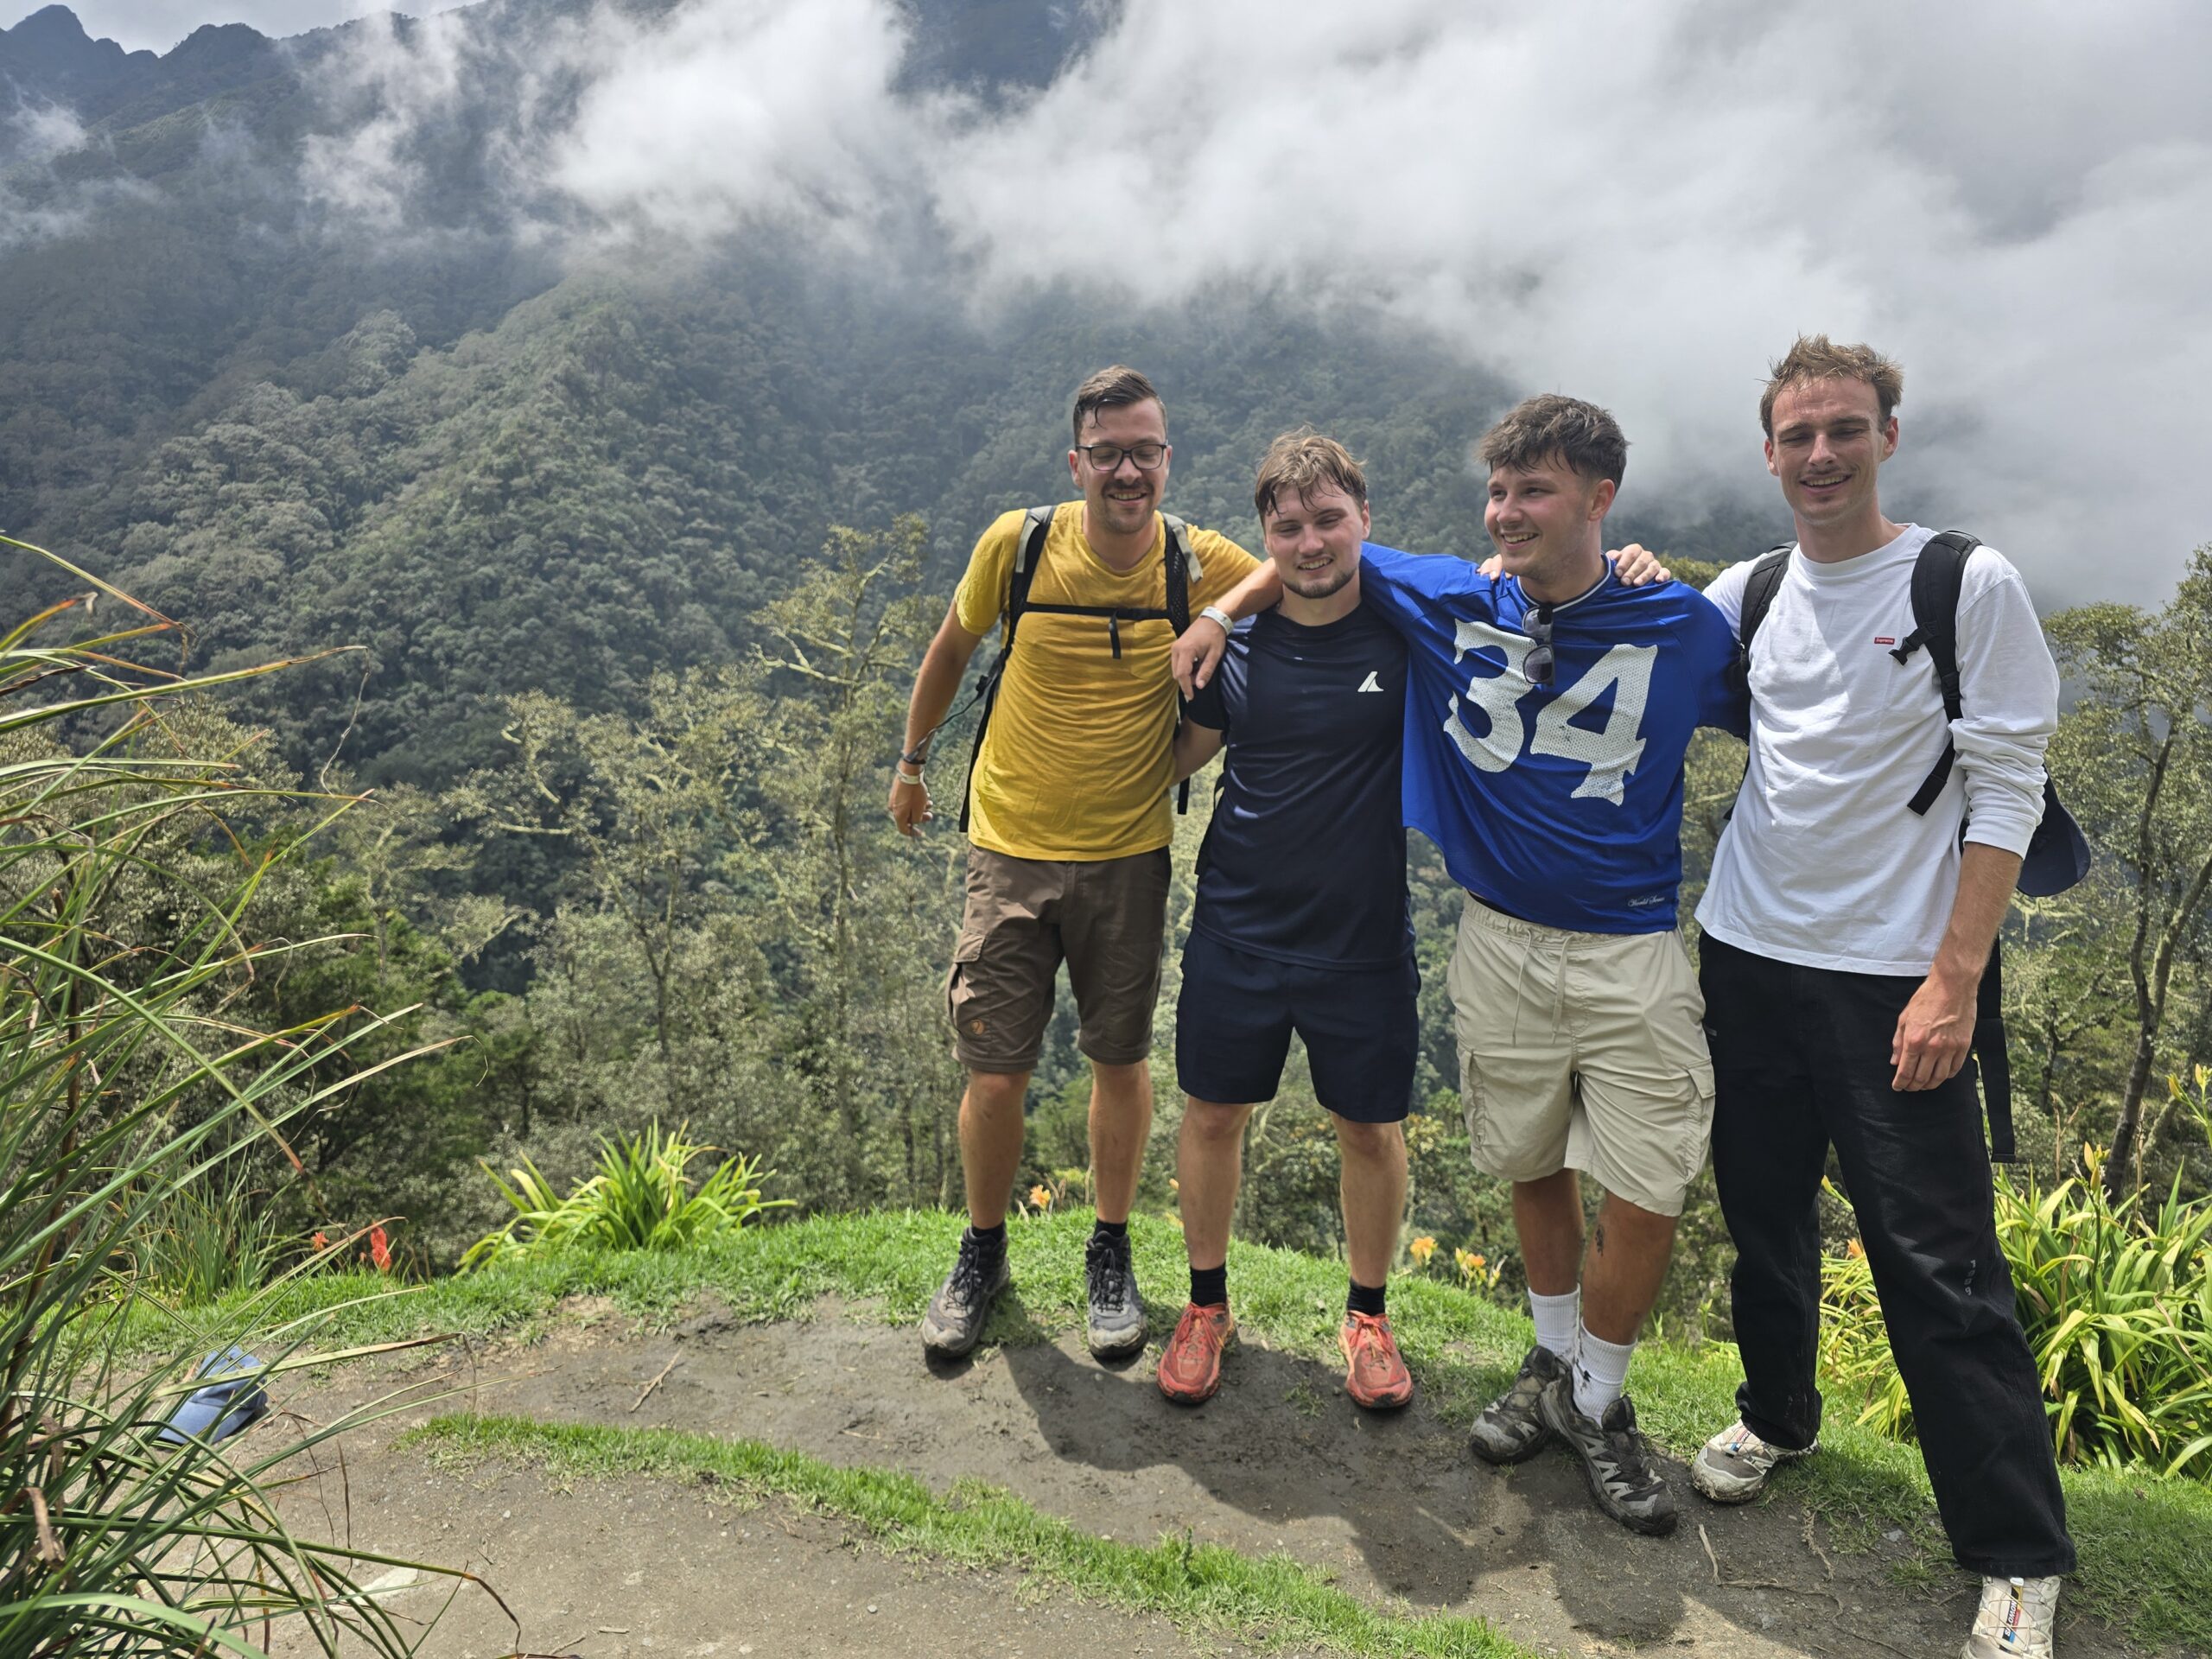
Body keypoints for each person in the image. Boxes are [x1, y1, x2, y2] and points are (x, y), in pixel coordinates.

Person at [1177, 396, 1739, 1535]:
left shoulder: (1677, 620)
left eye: (1536, 491)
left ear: (1601, 498)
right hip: (1490, 937)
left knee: (1647, 1188)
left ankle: (1596, 1397)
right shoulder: (1446, 595)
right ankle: (1551, 1367)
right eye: (1499, 492)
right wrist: (1217, 613)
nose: (1508, 512)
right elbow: (1305, 555)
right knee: (1530, 1159)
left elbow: (1787, 723)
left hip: (1628, 942)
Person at [1688, 336, 2073, 1658]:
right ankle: (1778, 1417)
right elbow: (1646, 651)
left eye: (1845, 429)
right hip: (1746, 951)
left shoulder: (1964, 584)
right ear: (1769, 452)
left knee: (1937, 1262)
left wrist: (1953, 982)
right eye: (1797, 436)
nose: (1821, 456)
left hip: (1896, 980)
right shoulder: (1748, 591)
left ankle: (2017, 1552)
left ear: (1888, 436)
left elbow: (2008, 789)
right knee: (1763, 1214)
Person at [890, 365, 1257, 1366]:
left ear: (1167, 460)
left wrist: (1218, 616)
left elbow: (1308, 566)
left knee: (1117, 1060)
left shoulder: (1194, 559)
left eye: (1144, 452)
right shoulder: (1018, 544)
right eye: (1107, 454)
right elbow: (951, 648)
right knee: (994, 1070)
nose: (1127, 472)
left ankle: (1109, 1248)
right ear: (1075, 462)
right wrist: (911, 763)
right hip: (1008, 847)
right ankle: (983, 1250)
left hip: (1128, 853)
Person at [1156, 431, 1420, 1412]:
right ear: (1266, 535)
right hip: (1238, 924)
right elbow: (1178, 757)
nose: (1310, 543)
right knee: (1212, 1114)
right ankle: (1205, 1306)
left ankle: (1367, 1317)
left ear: (1364, 520)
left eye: (1328, 521)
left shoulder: (1407, 638)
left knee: (1370, 1129)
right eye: (1289, 526)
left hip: (1363, 935)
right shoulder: (1234, 650)